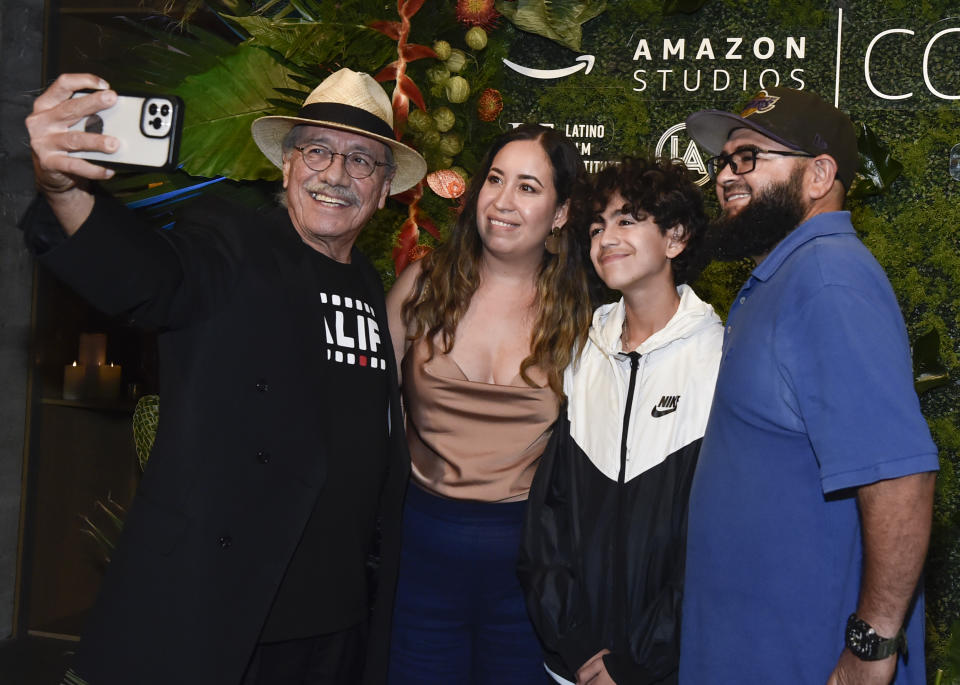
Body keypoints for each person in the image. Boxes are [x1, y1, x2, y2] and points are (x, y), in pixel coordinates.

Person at [22, 68, 427, 685]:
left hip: (337, 624)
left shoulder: (369, 284)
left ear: (382, 191)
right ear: (287, 167)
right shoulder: (230, 241)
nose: (337, 174)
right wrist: (64, 191)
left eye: (362, 161)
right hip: (226, 617)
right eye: (317, 150)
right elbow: (149, 278)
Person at [679, 87, 939, 684]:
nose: (726, 176)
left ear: (820, 174)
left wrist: (870, 650)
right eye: (723, 161)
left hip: (809, 659)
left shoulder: (828, 281)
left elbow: (901, 477)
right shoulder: (787, 275)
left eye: (749, 157)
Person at [384, 124, 594, 684]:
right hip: (417, 553)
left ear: (560, 213)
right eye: (495, 180)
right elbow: (362, 408)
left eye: (528, 187)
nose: (503, 201)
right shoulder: (420, 287)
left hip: (528, 571)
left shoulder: (584, 320)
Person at [517, 157, 723, 685]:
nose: (606, 237)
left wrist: (635, 662)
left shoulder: (722, 358)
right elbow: (549, 516)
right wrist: (576, 643)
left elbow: (715, 543)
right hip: (573, 662)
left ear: (675, 238)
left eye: (627, 221)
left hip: (666, 669)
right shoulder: (584, 348)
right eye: (595, 226)